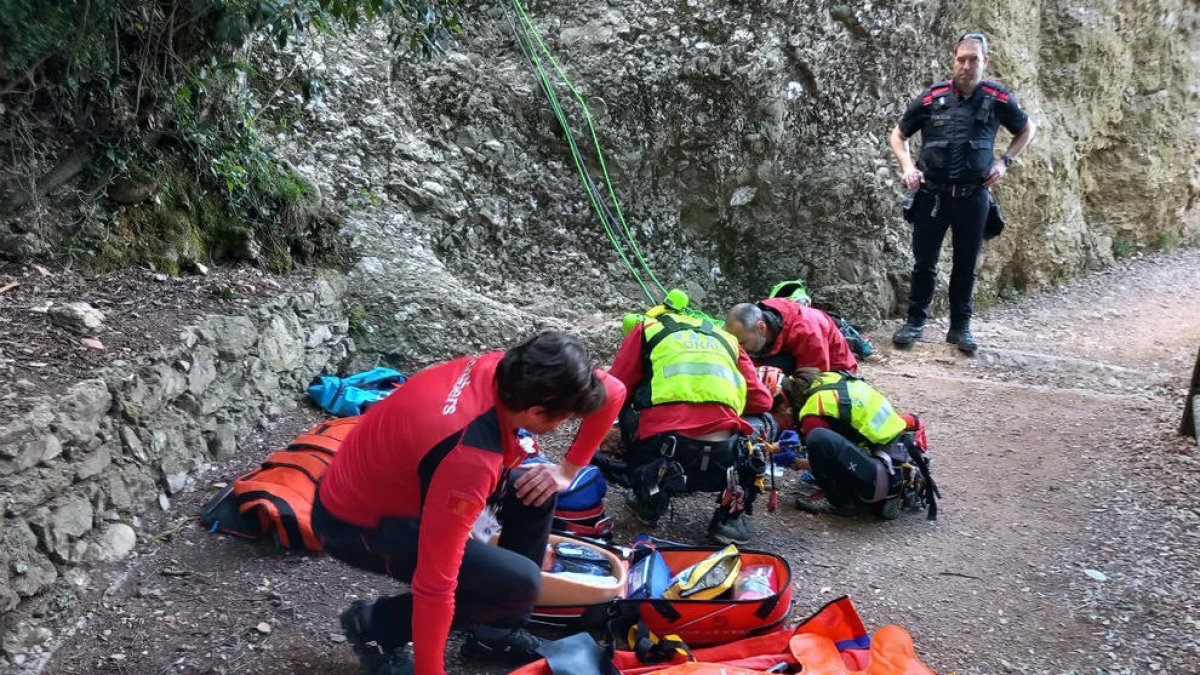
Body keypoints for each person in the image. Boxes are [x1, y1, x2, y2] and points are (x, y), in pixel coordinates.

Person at [312, 332, 625, 675]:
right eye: (565, 418)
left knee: (538, 490)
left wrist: (567, 471)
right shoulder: (470, 460)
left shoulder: (507, 370)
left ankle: (496, 632)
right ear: (536, 411)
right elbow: (435, 583)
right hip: (354, 523)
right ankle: (376, 626)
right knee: (519, 585)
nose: (566, 423)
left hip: (400, 481)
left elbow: (615, 392)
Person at [889, 31, 1036, 354]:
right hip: (932, 195)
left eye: (973, 59)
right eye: (961, 59)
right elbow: (898, 135)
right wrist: (907, 167)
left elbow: (1026, 129)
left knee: (966, 263)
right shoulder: (931, 98)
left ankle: (960, 328)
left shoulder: (997, 98)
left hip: (973, 196)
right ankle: (915, 322)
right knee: (923, 263)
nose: (966, 65)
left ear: (985, 61)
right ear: (954, 61)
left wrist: (1005, 162)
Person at [607, 292, 774, 545]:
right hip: (723, 457)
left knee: (628, 408)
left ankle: (648, 500)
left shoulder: (647, 331)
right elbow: (762, 401)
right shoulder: (727, 339)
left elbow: (615, 387)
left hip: (664, 451)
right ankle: (729, 517)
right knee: (764, 422)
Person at [774, 368, 926, 520]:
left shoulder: (811, 414)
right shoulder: (829, 380)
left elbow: (823, 456)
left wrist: (796, 463)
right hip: (900, 455)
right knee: (821, 440)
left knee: (818, 439)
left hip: (884, 475)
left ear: (783, 405)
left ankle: (842, 501)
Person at [724, 299, 859, 375]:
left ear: (761, 327)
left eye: (743, 343)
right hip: (792, 360)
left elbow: (815, 379)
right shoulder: (763, 318)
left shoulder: (807, 330)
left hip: (836, 375)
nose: (741, 349)